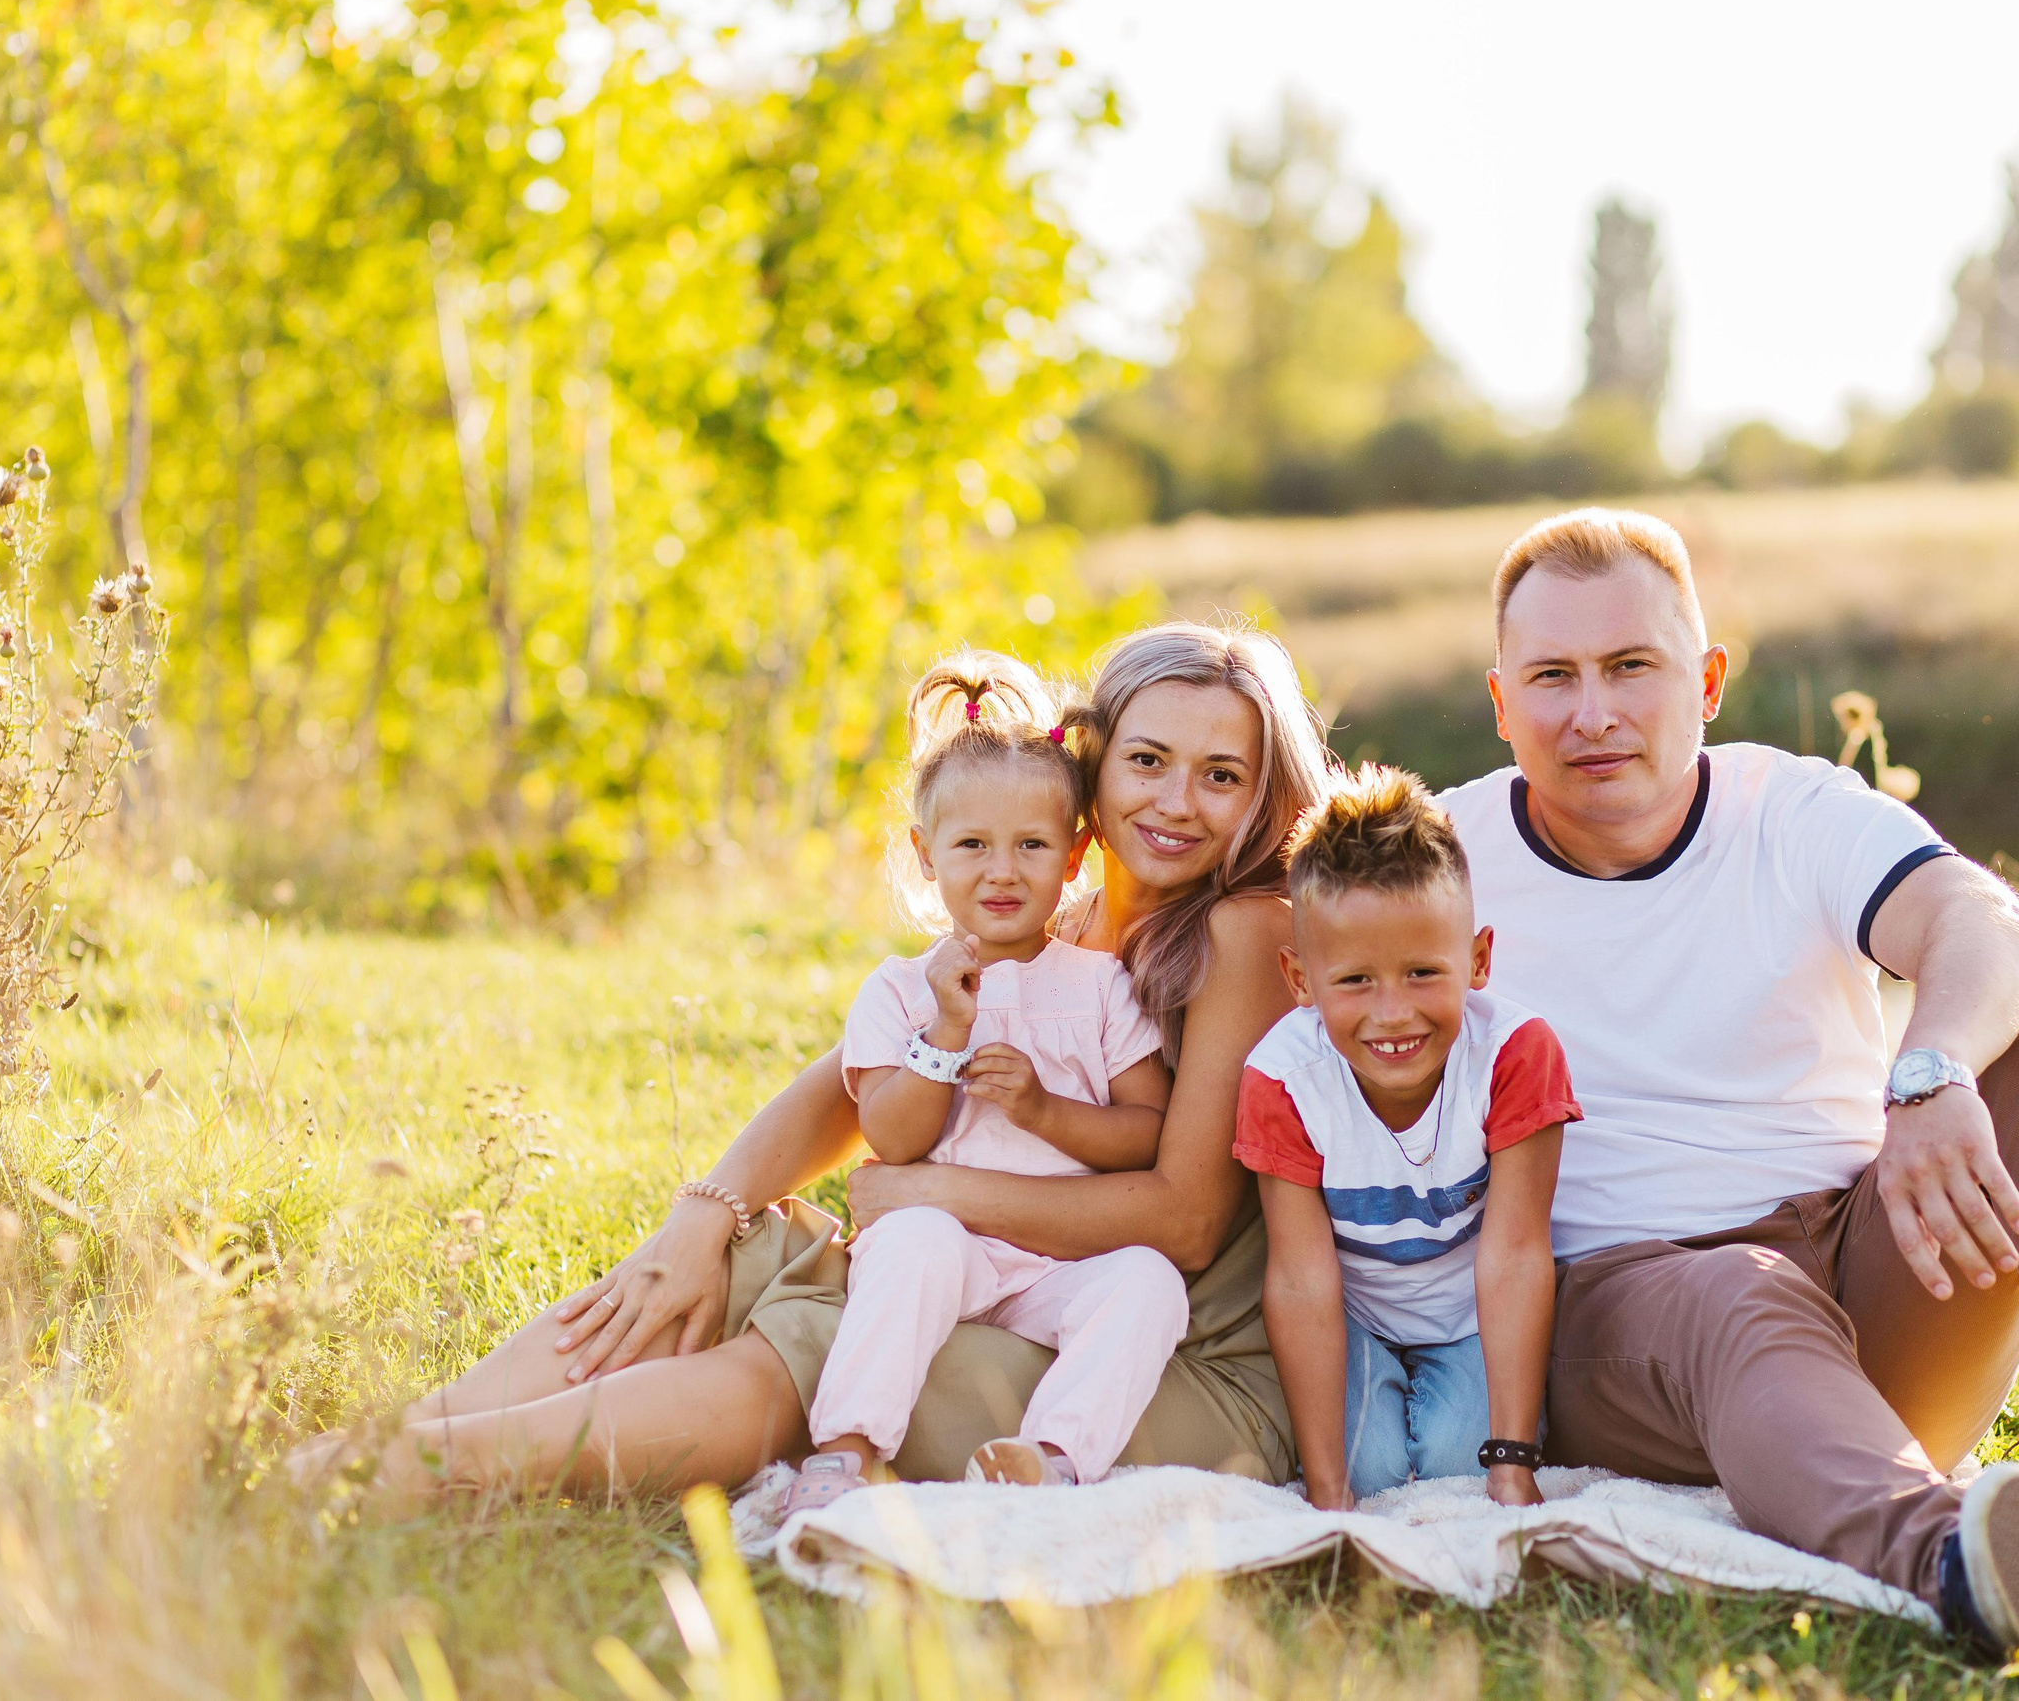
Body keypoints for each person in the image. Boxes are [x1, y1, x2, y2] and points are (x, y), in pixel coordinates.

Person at [1441, 507, 2019, 1656]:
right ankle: (1953, 1559)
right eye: (1552, 677)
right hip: (1621, 1316)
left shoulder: (1790, 808)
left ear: (1708, 680)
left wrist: (1929, 1081)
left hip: (1862, 1276)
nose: (1594, 713)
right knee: (1736, 1291)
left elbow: (1982, 923)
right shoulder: (1439, 861)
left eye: (1632, 666)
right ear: (1498, 703)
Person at [293, 622, 1332, 1503]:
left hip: (1163, 1361)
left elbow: (1185, 1222)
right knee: (750, 1257)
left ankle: (423, 1470)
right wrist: (704, 1217)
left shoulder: (1240, 931)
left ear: (1261, 801)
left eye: (1222, 776)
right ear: (1090, 765)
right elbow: (849, 1083)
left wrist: (926, 1187)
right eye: (1147, 760)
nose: (1176, 801)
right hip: (1025, 1294)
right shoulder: (1060, 911)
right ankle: (385, 1441)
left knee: (832, 1319)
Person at [785, 653, 1185, 1515]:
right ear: (927, 855)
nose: (1002, 872)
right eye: (972, 846)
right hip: (952, 1253)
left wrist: (1045, 1109)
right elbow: (893, 1141)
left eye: (1031, 846)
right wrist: (944, 1038)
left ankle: (1050, 1456)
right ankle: (845, 1450)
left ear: (1074, 854)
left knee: (1151, 1281)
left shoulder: (1099, 983)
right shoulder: (900, 989)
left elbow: (1147, 1131)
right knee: (912, 1239)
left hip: (1062, 1260)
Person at [1238, 766, 1571, 1511]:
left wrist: (1513, 1463)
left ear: (1478, 959)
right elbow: (1299, 1278)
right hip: (1351, 1318)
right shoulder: (1284, 1079)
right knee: (1373, 1470)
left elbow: (1517, 1254)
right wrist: (1327, 1493)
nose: (1393, 1013)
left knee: (1462, 1460)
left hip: (1470, 1314)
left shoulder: (1516, 1054)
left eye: (1424, 972)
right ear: (1300, 978)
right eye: (1355, 980)